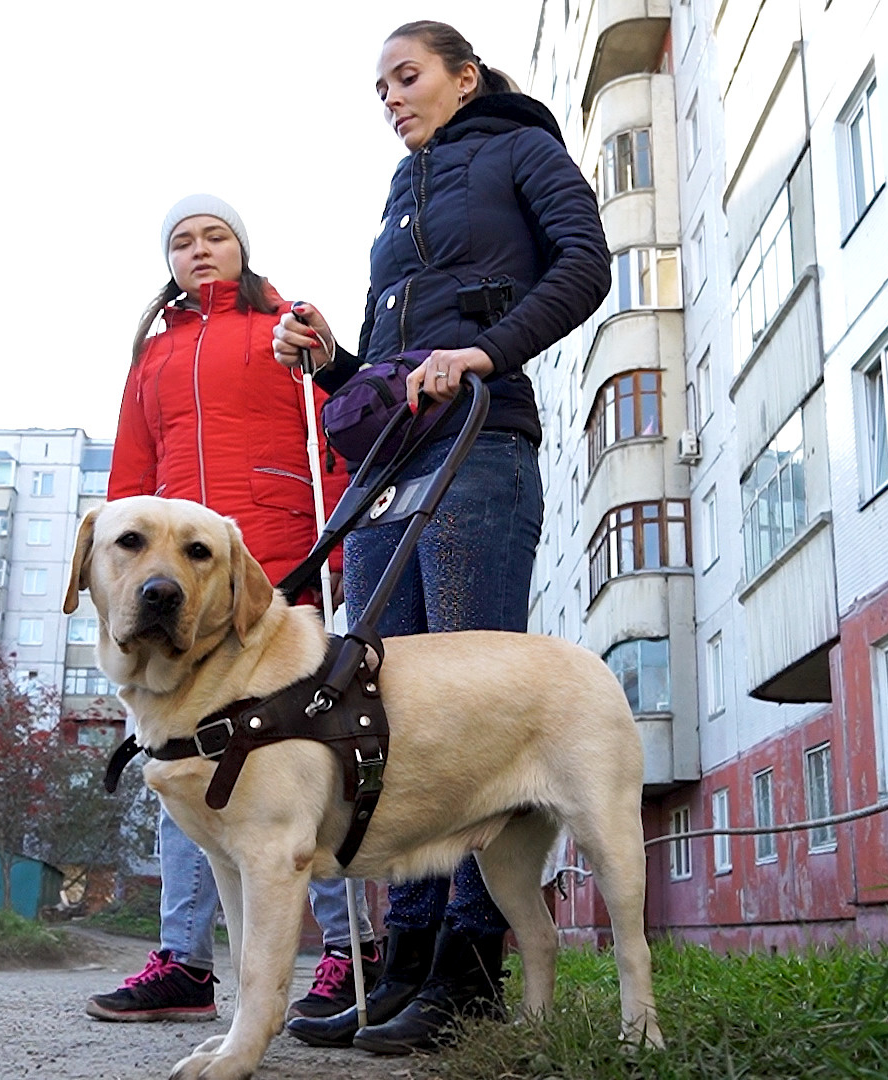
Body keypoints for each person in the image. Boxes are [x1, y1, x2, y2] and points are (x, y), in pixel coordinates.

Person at [271, 21, 610, 1056]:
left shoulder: (521, 147)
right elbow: (396, 365)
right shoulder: (399, 192)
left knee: (469, 716)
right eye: (378, 88)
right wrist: (334, 360)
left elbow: (586, 264)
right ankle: (405, 957)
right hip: (389, 466)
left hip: (479, 451)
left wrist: (485, 351)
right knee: (382, 712)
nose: (390, 99)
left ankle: (469, 967)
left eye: (405, 77)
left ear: (464, 77)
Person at [85, 194, 378, 1025]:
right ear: (168, 261)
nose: (199, 249)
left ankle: (347, 952)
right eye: (182, 241)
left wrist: (343, 546)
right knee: (178, 760)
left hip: (276, 565)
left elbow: (337, 440)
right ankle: (183, 962)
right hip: (172, 592)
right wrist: (119, 581)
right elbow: (131, 478)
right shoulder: (153, 358)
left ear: (242, 249)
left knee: (301, 764)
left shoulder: (283, 329)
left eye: (215, 236)